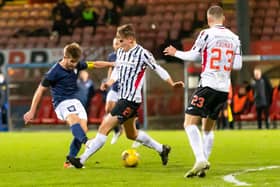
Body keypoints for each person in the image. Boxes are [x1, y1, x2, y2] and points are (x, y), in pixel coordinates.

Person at [68, 24, 184, 169]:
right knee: (131, 134)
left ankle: (81, 160)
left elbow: (158, 69)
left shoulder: (143, 54)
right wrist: (109, 82)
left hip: (130, 100)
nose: (119, 44)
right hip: (124, 98)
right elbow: (118, 69)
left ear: (130, 39)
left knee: (104, 127)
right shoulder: (121, 52)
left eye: (121, 41)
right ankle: (162, 149)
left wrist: (172, 83)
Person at [163, 5, 242, 178]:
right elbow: (237, 65)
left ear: (208, 19)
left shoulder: (206, 34)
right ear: (224, 19)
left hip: (207, 85)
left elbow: (192, 56)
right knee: (207, 128)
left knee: (189, 123)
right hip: (223, 89)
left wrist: (176, 53)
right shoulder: (235, 38)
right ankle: (204, 164)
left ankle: (200, 159)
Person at [23, 43, 114, 168]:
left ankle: (69, 161)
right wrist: (32, 111)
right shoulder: (54, 72)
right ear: (65, 56)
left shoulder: (77, 65)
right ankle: (87, 142)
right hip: (61, 103)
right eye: (71, 61)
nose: (74, 64)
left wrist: (112, 64)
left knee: (83, 128)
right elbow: (40, 90)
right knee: (74, 120)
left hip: (75, 101)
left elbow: (95, 64)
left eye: (76, 62)